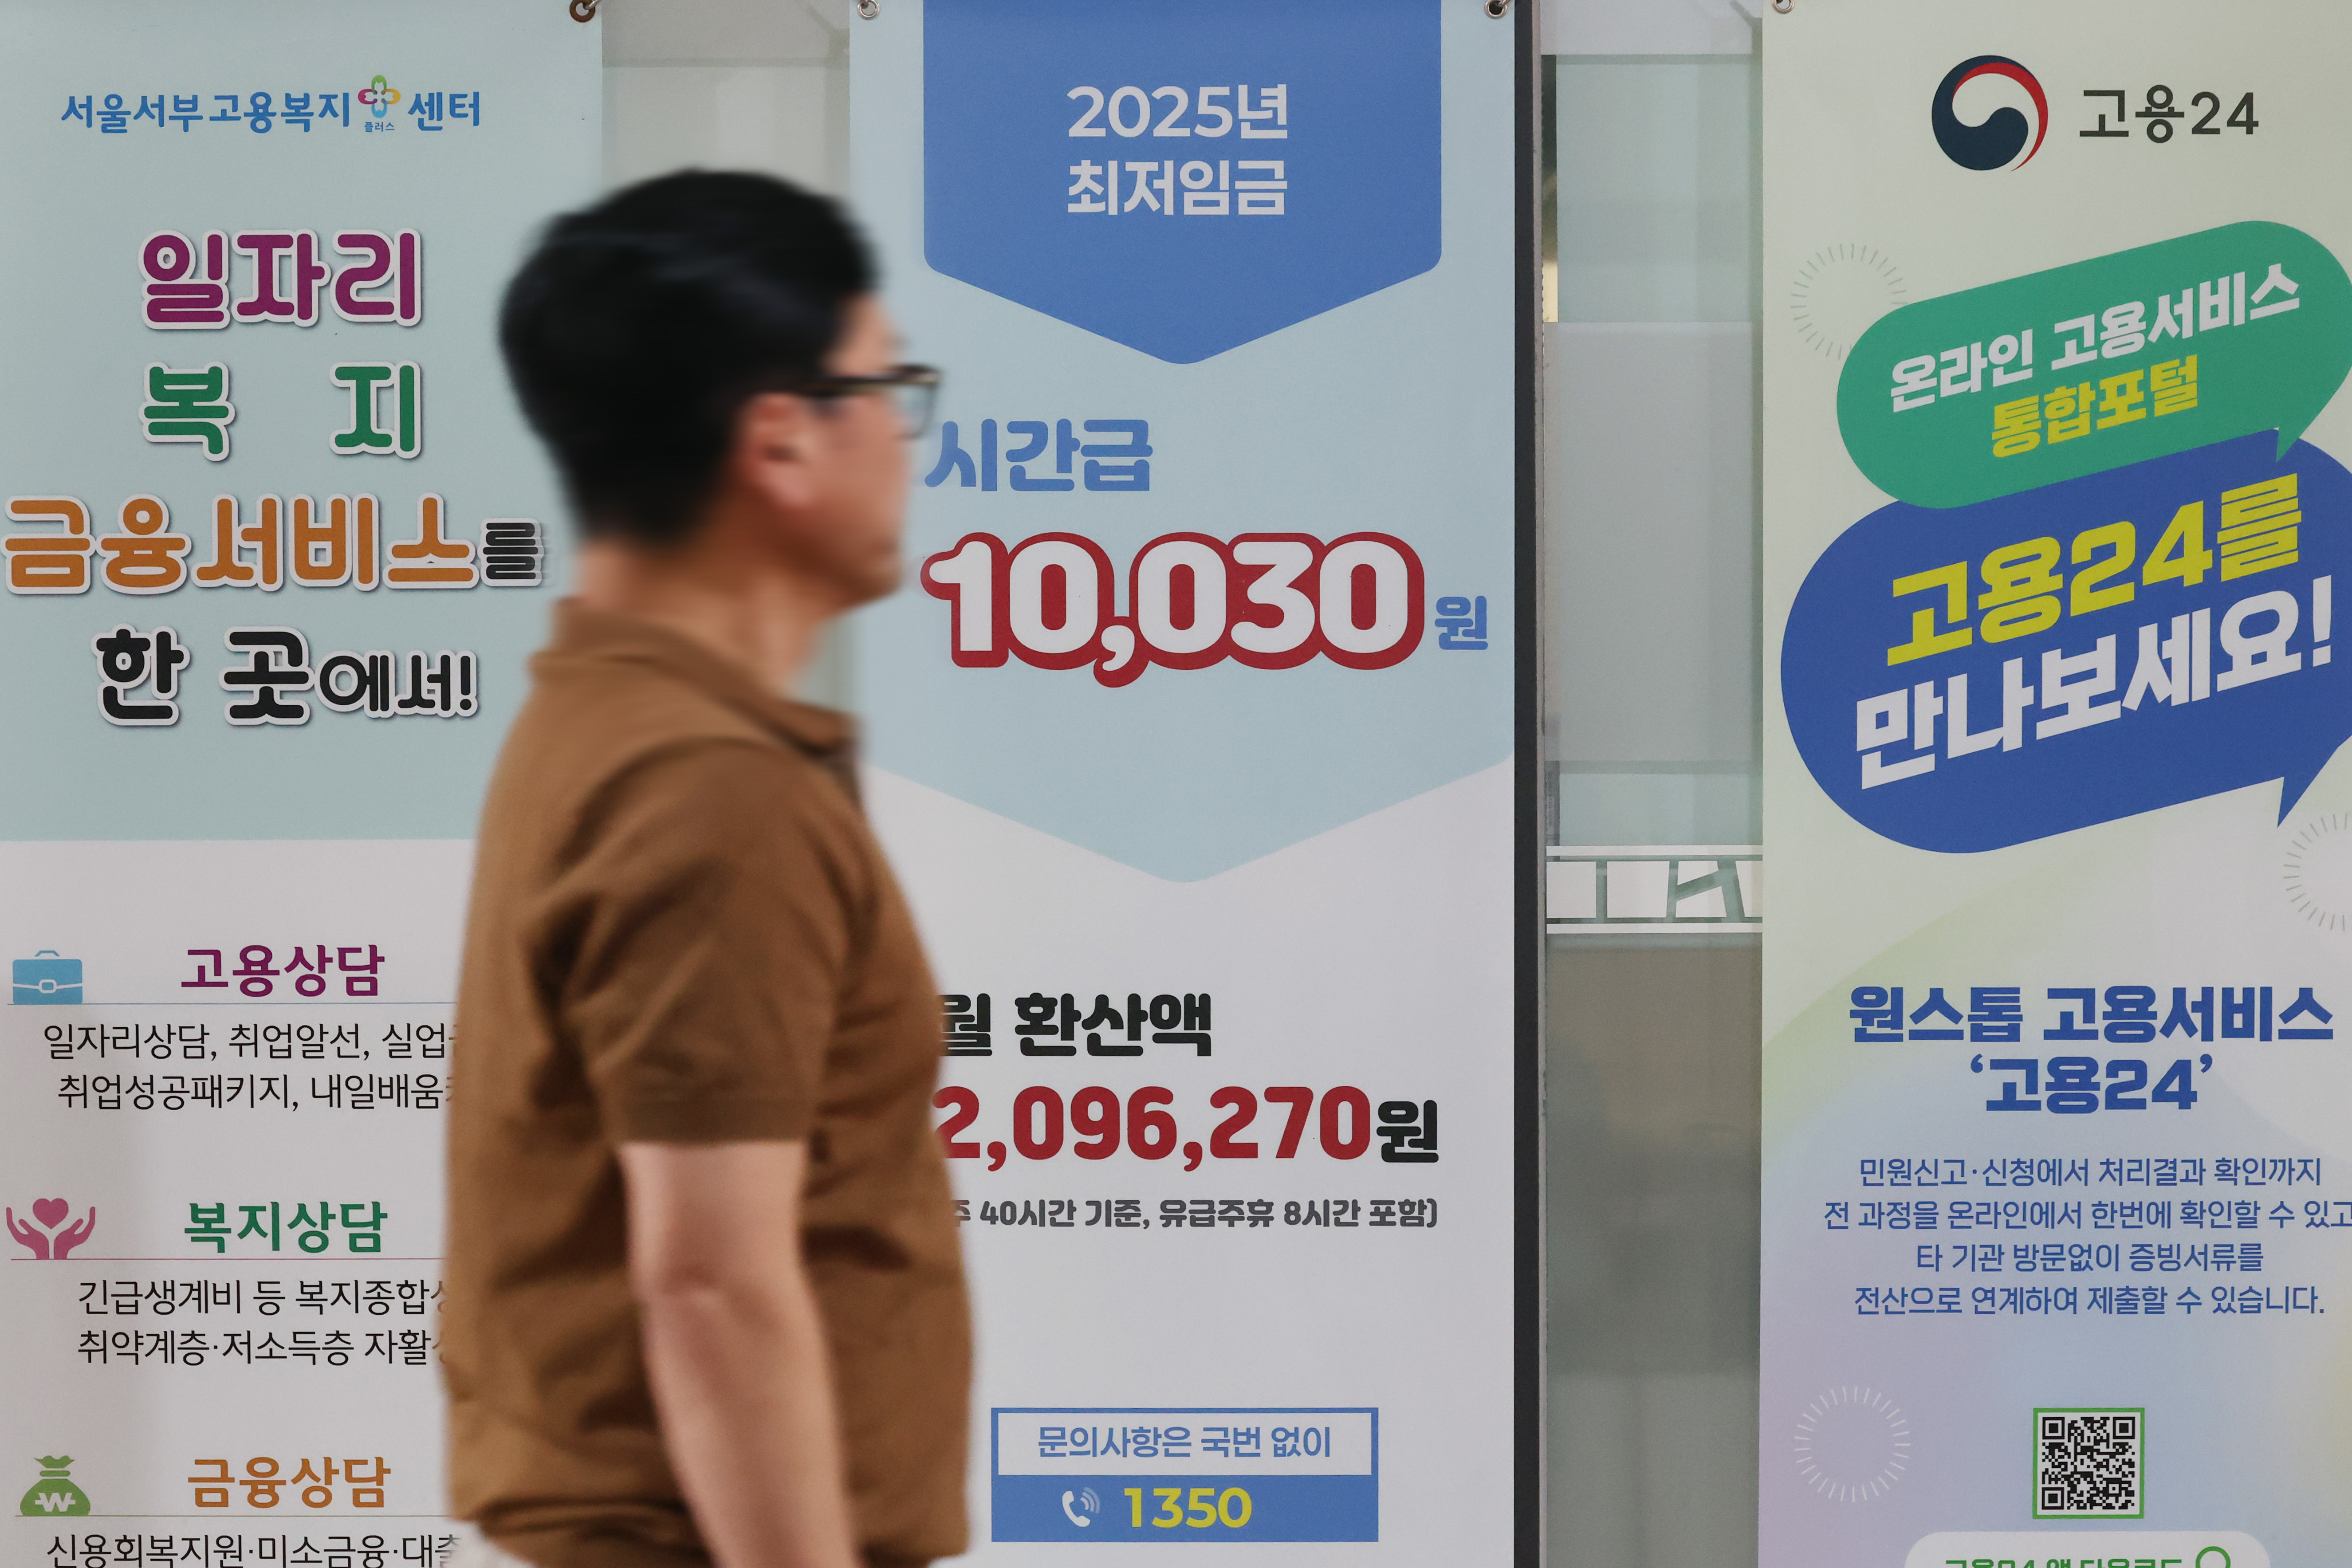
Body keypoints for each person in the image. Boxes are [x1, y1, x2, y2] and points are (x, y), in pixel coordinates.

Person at [439, 171, 968, 1568]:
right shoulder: (712, 790)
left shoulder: (603, 721)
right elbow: (713, 1284)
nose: (906, 440)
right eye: (888, 389)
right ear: (782, 437)